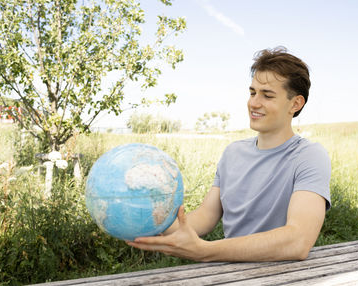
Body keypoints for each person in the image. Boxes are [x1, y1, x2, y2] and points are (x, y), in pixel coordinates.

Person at [127, 47, 331, 262]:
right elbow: (206, 216)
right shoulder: (233, 153)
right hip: (230, 274)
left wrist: (205, 251)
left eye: (267, 95)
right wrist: (152, 220)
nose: (254, 103)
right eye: (252, 92)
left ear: (296, 103)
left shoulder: (309, 156)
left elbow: (297, 241)